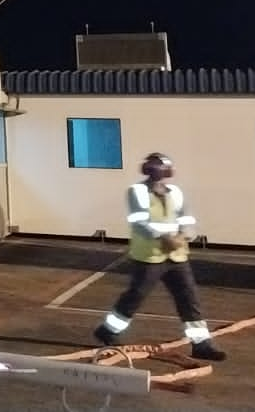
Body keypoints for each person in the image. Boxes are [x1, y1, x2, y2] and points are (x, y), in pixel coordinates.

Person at [93, 152, 227, 360]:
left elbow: (187, 218)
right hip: (150, 256)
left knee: (189, 298)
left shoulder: (176, 192)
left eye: (160, 167)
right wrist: (165, 237)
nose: (158, 171)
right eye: (154, 167)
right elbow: (139, 221)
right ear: (147, 170)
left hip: (177, 256)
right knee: (135, 296)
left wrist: (184, 235)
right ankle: (108, 330)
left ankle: (201, 344)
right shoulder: (136, 191)